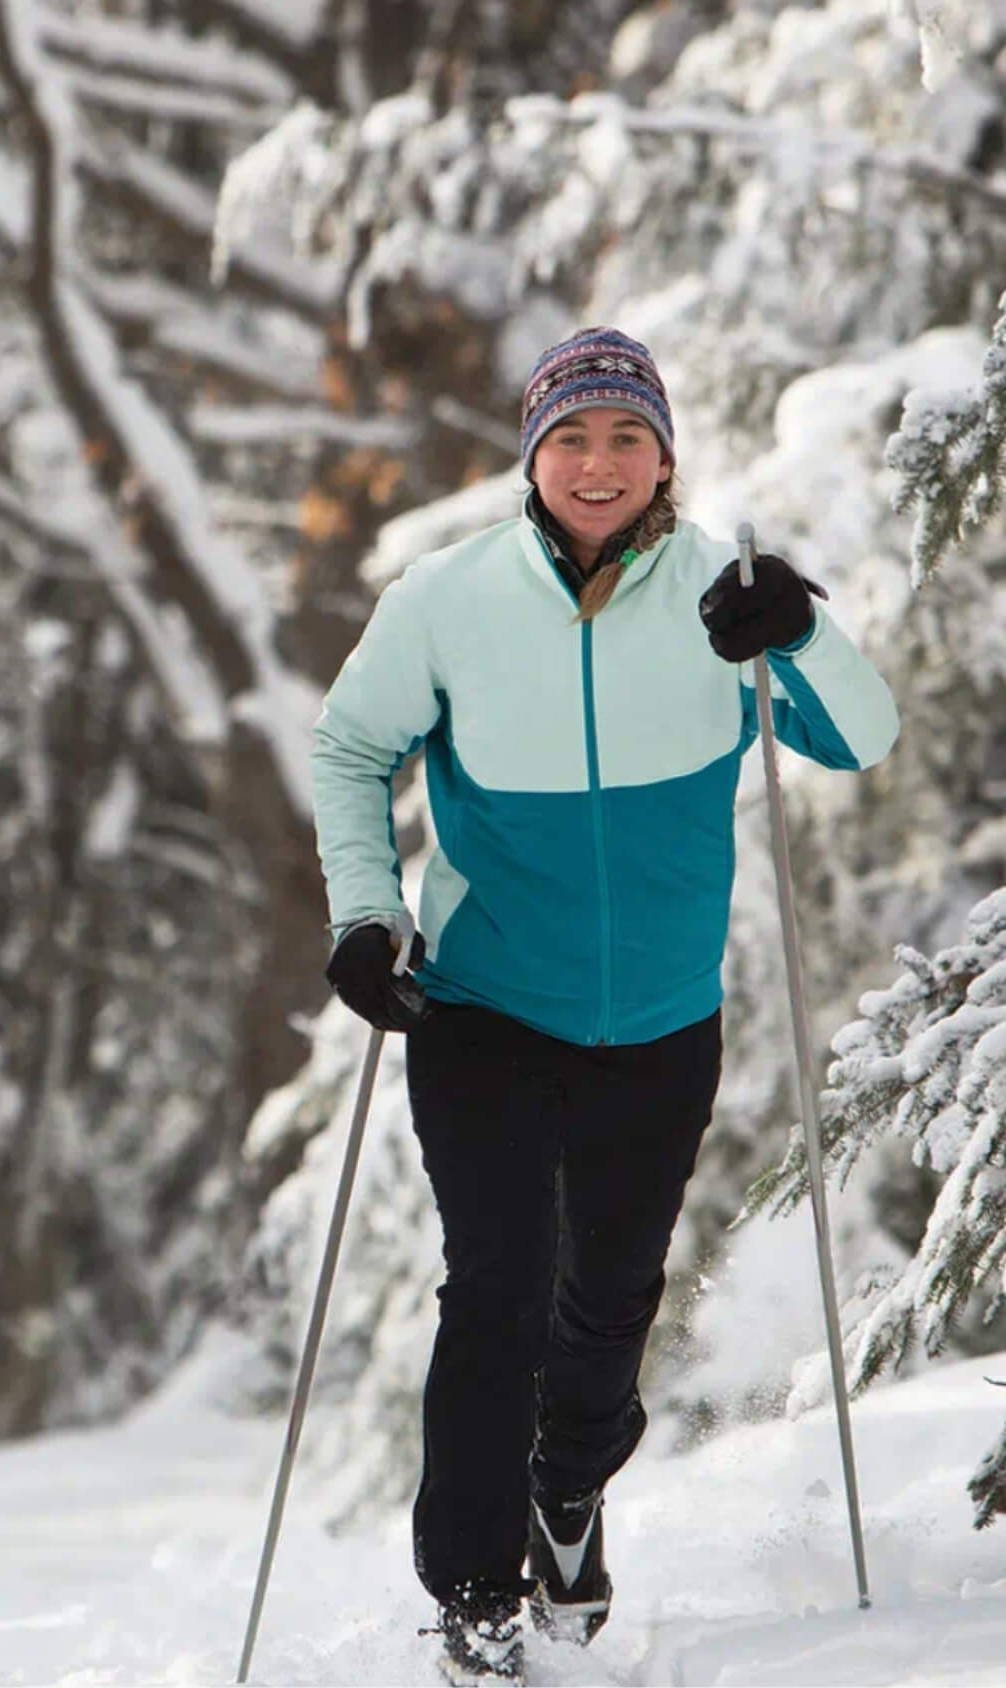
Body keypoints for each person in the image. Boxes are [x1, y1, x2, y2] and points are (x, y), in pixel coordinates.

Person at [310, 327, 897, 1684]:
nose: (597, 462)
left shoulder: (723, 600)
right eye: (571, 437)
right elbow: (351, 745)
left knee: (611, 1298)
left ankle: (566, 1497)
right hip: (484, 1007)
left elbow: (861, 737)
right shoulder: (448, 597)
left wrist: (803, 626)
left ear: (664, 458)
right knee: (498, 1290)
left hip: (659, 1019)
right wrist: (361, 912)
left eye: (627, 437)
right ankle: (474, 1598)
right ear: (533, 454)